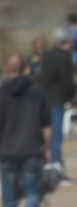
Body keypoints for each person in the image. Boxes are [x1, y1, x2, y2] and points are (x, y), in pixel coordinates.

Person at [0, 54, 51, 207]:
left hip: (7, 151)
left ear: (6, 69)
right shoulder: (38, 92)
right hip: (32, 149)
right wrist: (47, 149)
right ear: (25, 68)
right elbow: (47, 125)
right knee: (32, 193)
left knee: (9, 198)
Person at [37, 26, 74, 170]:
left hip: (44, 99)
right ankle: (56, 166)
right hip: (57, 100)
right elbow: (67, 82)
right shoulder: (63, 56)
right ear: (68, 41)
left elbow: (43, 78)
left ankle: (47, 163)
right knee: (56, 135)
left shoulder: (48, 54)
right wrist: (70, 96)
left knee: (46, 134)